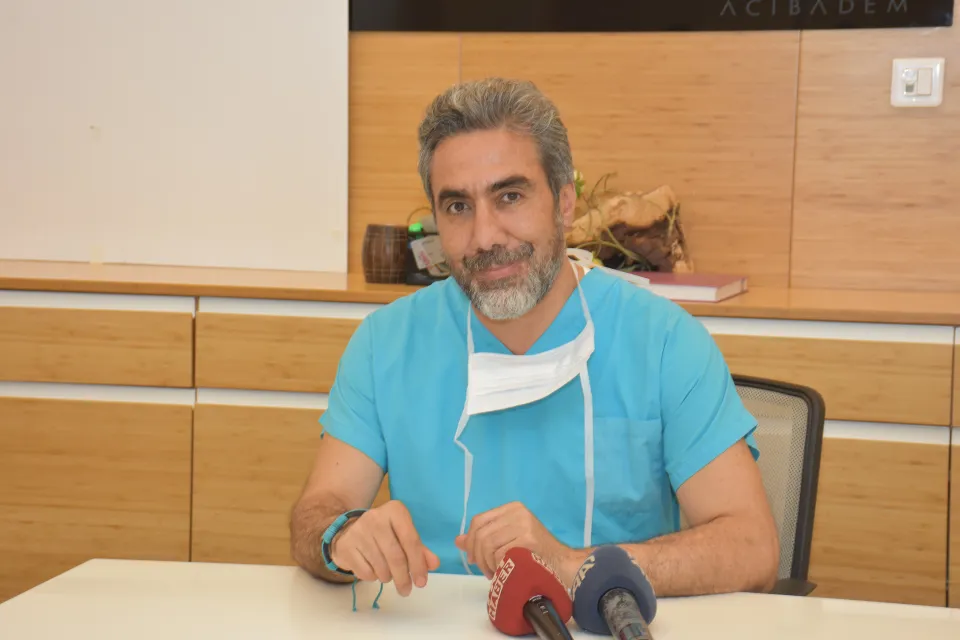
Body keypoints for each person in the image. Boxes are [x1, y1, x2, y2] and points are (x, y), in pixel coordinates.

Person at [290, 77, 779, 599]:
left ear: (564, 203)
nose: (485, 237)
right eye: (457, 207)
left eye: (510, 197)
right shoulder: (385, 343)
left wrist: (574, 567)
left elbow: (752, 547)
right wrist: (340, 537)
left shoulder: (663, 342)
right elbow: (317, 513)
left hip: (603, 622)